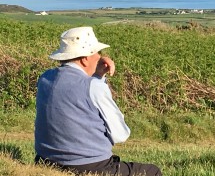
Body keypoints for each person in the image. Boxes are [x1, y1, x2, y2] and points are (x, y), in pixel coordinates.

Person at [34, 26, 162, 176]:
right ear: (85, 58)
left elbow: (74, 95)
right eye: (97, 53)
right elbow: (121, 134)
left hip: (46, 161)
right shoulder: (93, 86)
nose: (100, 57)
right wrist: (99, 82)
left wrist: (98, 75)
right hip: (88, 166)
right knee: (153, 171)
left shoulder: (45, 78)